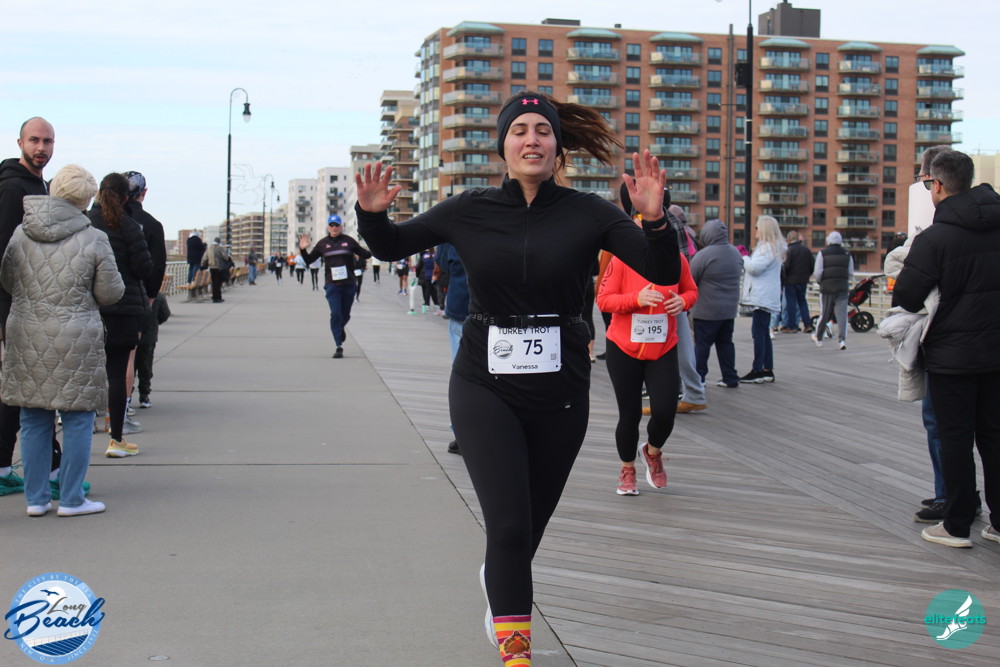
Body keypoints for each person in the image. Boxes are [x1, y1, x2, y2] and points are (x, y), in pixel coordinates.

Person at [355, 90, 679, 664]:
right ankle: (517, 654)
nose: (532, 139)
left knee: (525, 530)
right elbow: (390, 245)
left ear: (558, 147)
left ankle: (499, 580)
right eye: (520, 130)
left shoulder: (590, 213)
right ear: (502, 147)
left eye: (543, 130)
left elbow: (661, 270)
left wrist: (654, 220)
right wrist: (373, 214)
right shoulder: (468, 208)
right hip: (484, 384)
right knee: (507, 527)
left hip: (562, 392)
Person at [1, 164, 124, 516]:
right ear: (85, 200)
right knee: (78, 418)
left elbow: (8, 280)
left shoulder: (21, 233)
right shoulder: (94, 238)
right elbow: (111, 292)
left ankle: (36, 499)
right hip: (76, 336)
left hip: (27, 333)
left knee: (33, 417)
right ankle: (71, 498)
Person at [893, 149, 1000, 548]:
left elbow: (907, 296)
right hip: (996, 352)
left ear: (937, 185)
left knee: (955, 438)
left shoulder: (935, 238)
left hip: (952, 356)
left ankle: (956, 524)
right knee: (994, 436)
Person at [597, 225, 697, 496]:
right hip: (623, 347)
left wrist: (683, 302)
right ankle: (627, 470)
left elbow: (691, 291)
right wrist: (636, 298)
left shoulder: (677, 260)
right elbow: (604, 300)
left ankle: (653, 453)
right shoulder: (621, 261)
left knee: (665, 411)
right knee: (629, 414)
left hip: (663, 348)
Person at [0, 117, 60, 496]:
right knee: (36, 391)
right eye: (34, 140)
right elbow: (6, 256)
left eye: (47, 141)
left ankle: (4, 468)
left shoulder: (41, 186)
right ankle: (53, 475)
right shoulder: (13, 189)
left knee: (17, 392)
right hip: (17, 307)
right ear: (20, 142)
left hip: (31, 304)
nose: (41, 148)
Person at [88, 173, 152, 457]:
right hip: (124, 310)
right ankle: (115, 439)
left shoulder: (86, 223)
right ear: (126, 197)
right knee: (116, 374)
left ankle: (78, 430)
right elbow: (143, 268)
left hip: (90, 309)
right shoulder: (129, 226)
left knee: (85, 372)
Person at [298, 214, 372, 359]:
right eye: (331, 225)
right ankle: (339, 345)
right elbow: (309, 260)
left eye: (336, 225)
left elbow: (366, 254)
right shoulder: (322, 244)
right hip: (332, 285)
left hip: (349, 284)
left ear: (341, 226)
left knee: (345, 315)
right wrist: (302, 250)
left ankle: (340, 327)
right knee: (335, 313)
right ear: (328, 227)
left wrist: (376, 241)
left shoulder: (349, 241)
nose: (334, 227)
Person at [689, 218, 744, 389]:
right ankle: (730, 377)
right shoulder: (735, 253)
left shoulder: (704, 255)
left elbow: (691, 279)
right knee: (726, 343)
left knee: (702, 345)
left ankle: (699, 378)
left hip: (707, 310)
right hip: (729, 310)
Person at [666, 204, 706, 414]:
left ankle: (684, 392)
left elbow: (683, 266)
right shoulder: (680, 226)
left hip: (669, 296)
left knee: (676, 347)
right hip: (676, 295)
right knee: (682, 346)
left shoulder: (668, 224)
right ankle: (690, 392)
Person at [739, 215, 785, 383]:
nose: (755, 231)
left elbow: (754, 268)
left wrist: (744, 257)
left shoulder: (766, 248)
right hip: (767, 294)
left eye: (757, 228)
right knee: (764, 332)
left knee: (758, 332)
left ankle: (758, 369)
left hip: (762, 295)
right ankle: (767, 369)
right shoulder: (774, 248)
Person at [435, 241, 468, 455]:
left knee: (462, 374)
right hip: (498, 310)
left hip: (462, 307)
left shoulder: (453, 227)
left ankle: (462, 433)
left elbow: (443, 262)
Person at [810, 231, 853, 350]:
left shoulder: (822, 254)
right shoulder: (847, 254)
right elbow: (850, 273)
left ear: (828, 241)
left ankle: (818, 337)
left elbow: (818, 272)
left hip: (827, 288)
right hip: (842, 287)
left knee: (824, 313)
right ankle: (842, 340)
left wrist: (821, 282)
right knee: (842, 315)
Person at [134, 292, 170, 409]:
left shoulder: (131, 293)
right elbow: (165, 314)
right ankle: (144, 395)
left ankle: (127, 395)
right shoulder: (157, 296)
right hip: (149, 336)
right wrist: (154, 321)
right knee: (146, 366)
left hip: (131, 335)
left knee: (129, 366)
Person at [780, 230, 814, 333]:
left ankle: (792, 326)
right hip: (803, 280)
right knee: (802, 302)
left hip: (790, 281)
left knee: (791, 304)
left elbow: (786, 266)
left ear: (789, 239)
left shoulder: (789, 250)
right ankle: (807, 324)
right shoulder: (806, 250)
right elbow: (812, 265)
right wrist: (807, 275)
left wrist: (784, 278)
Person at [203, 237, 231, 303]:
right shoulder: (220, 248)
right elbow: (225, 257)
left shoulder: (209, 249)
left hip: (212, 268)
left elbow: (204, 258)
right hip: (219, 268)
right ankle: (218, 297)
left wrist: (203, 265)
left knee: (214, 282)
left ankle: (214, 296)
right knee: (218, 283)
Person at [415, 248, 437, 313]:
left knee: (425, 289)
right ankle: (437, 303)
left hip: (424, 275)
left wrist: (417, 275)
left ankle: (427, 304)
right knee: (433, 289)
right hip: (434, 275)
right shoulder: (435, 255)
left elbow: (418, 266)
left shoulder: (423, 255)